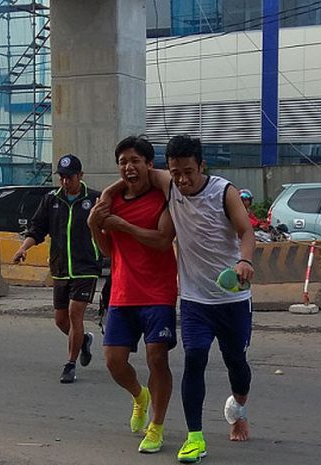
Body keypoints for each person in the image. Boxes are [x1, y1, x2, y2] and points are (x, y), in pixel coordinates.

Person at [102, 135, 255, 463]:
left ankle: (238, 407)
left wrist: (245, 261)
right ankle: (195, 437)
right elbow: (132, 172)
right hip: (195, 299)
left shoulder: (223, 192)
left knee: (236, 363)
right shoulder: (168, 184)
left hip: (231, 299)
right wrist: (105, 195)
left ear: (202, 166)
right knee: (194, 359)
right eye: (176, 172)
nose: (183, 179)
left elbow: (246, 232)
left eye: (189, 171)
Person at [88, 135, 178, 454]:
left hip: (158, 292)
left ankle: (157, 426)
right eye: (123, 162)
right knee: (114, 362)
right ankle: (140, 396)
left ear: (149, 165)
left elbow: (162, 240)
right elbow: (109, 249)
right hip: (122, 292)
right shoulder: (110, 202)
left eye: (135, 161)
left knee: (157, 357)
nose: (129, 167)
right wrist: (93, 226)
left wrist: (120, 224)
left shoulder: (161, 197)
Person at [13, 154, 102, 384]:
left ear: (80, 176)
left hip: (86, 267)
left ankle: (70, 365)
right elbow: (37, 229)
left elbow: (109, 229)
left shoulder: (95, 199)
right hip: (61, 267)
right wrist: (24, 248)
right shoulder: (51, 199)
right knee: (61, 320)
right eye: (61, 177)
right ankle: (83, 342)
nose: (65, 182)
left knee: (75, 314)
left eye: (69, 177)